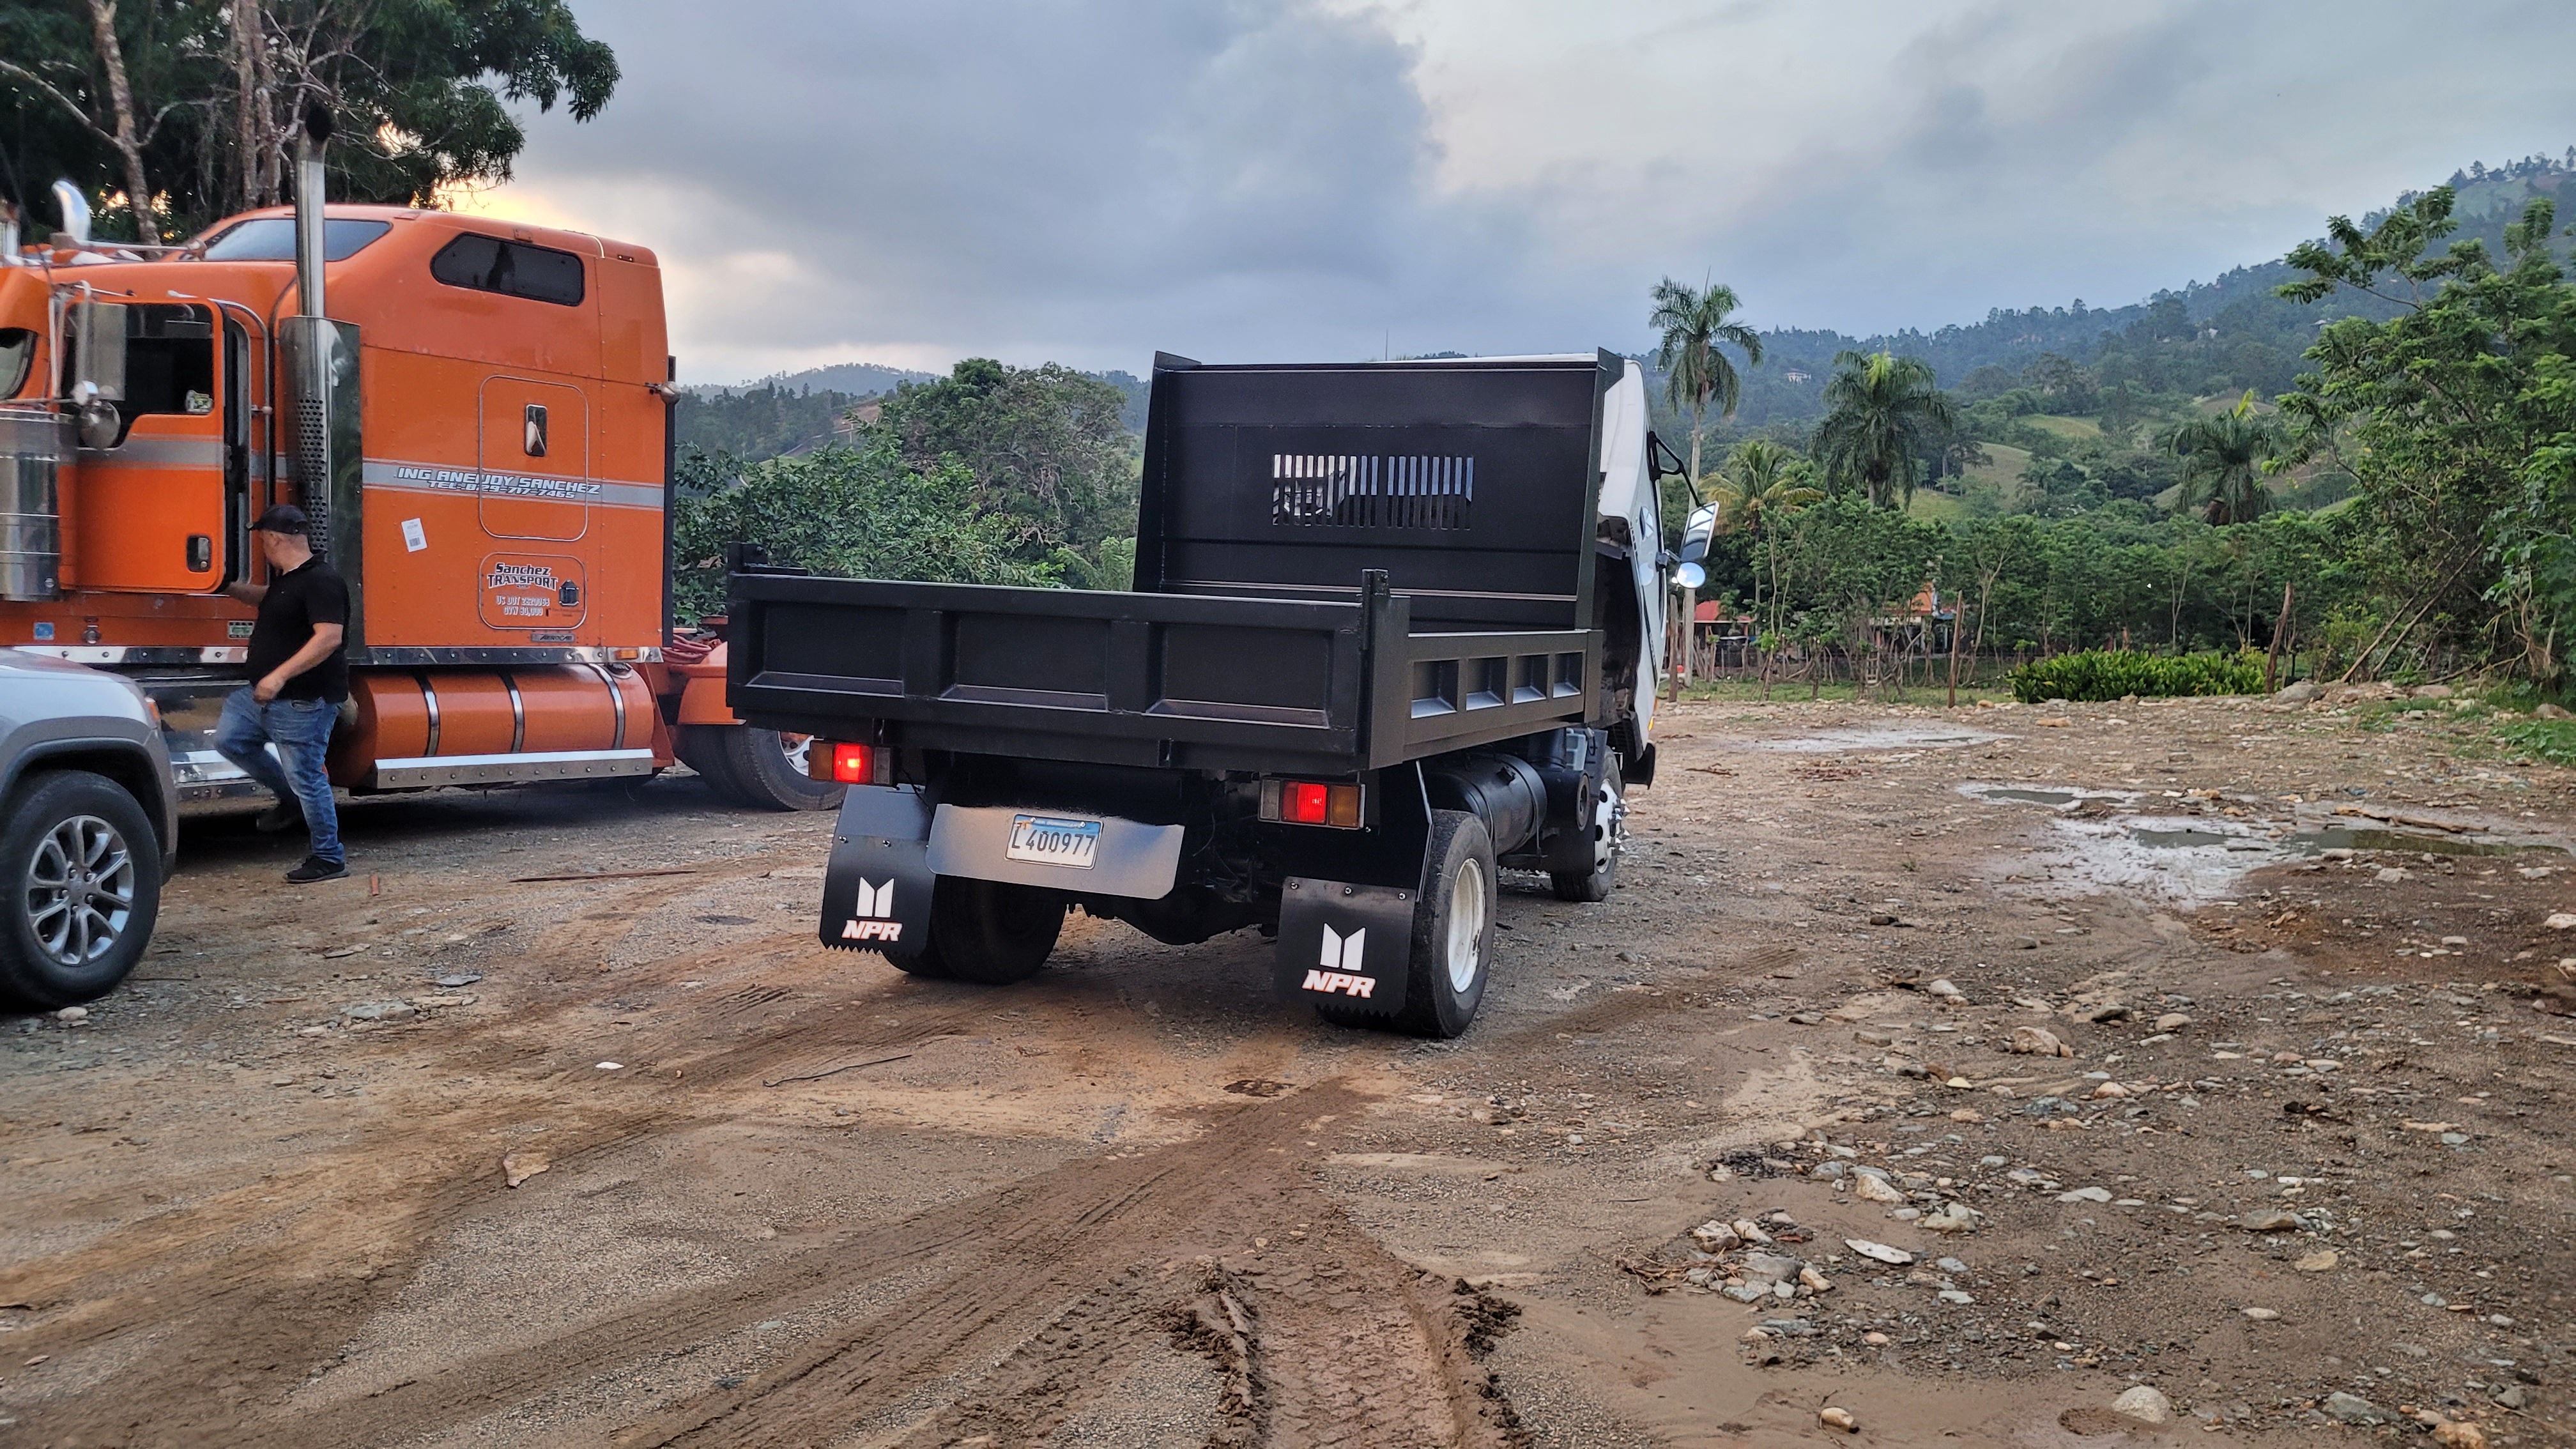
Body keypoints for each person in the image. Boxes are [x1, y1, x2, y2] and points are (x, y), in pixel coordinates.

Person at [213, 504, 351, 883]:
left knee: (306, 775)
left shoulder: (321, 580)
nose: (262, 547)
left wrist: (277, 677)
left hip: (302, 699)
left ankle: (329, 857)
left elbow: (329, 638)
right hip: (262, 699)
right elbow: (272, 601)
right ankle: (289, 800)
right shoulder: (288, 580)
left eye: (262, 540)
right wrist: (228, 587)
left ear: (273, 538)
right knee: (230, 740)